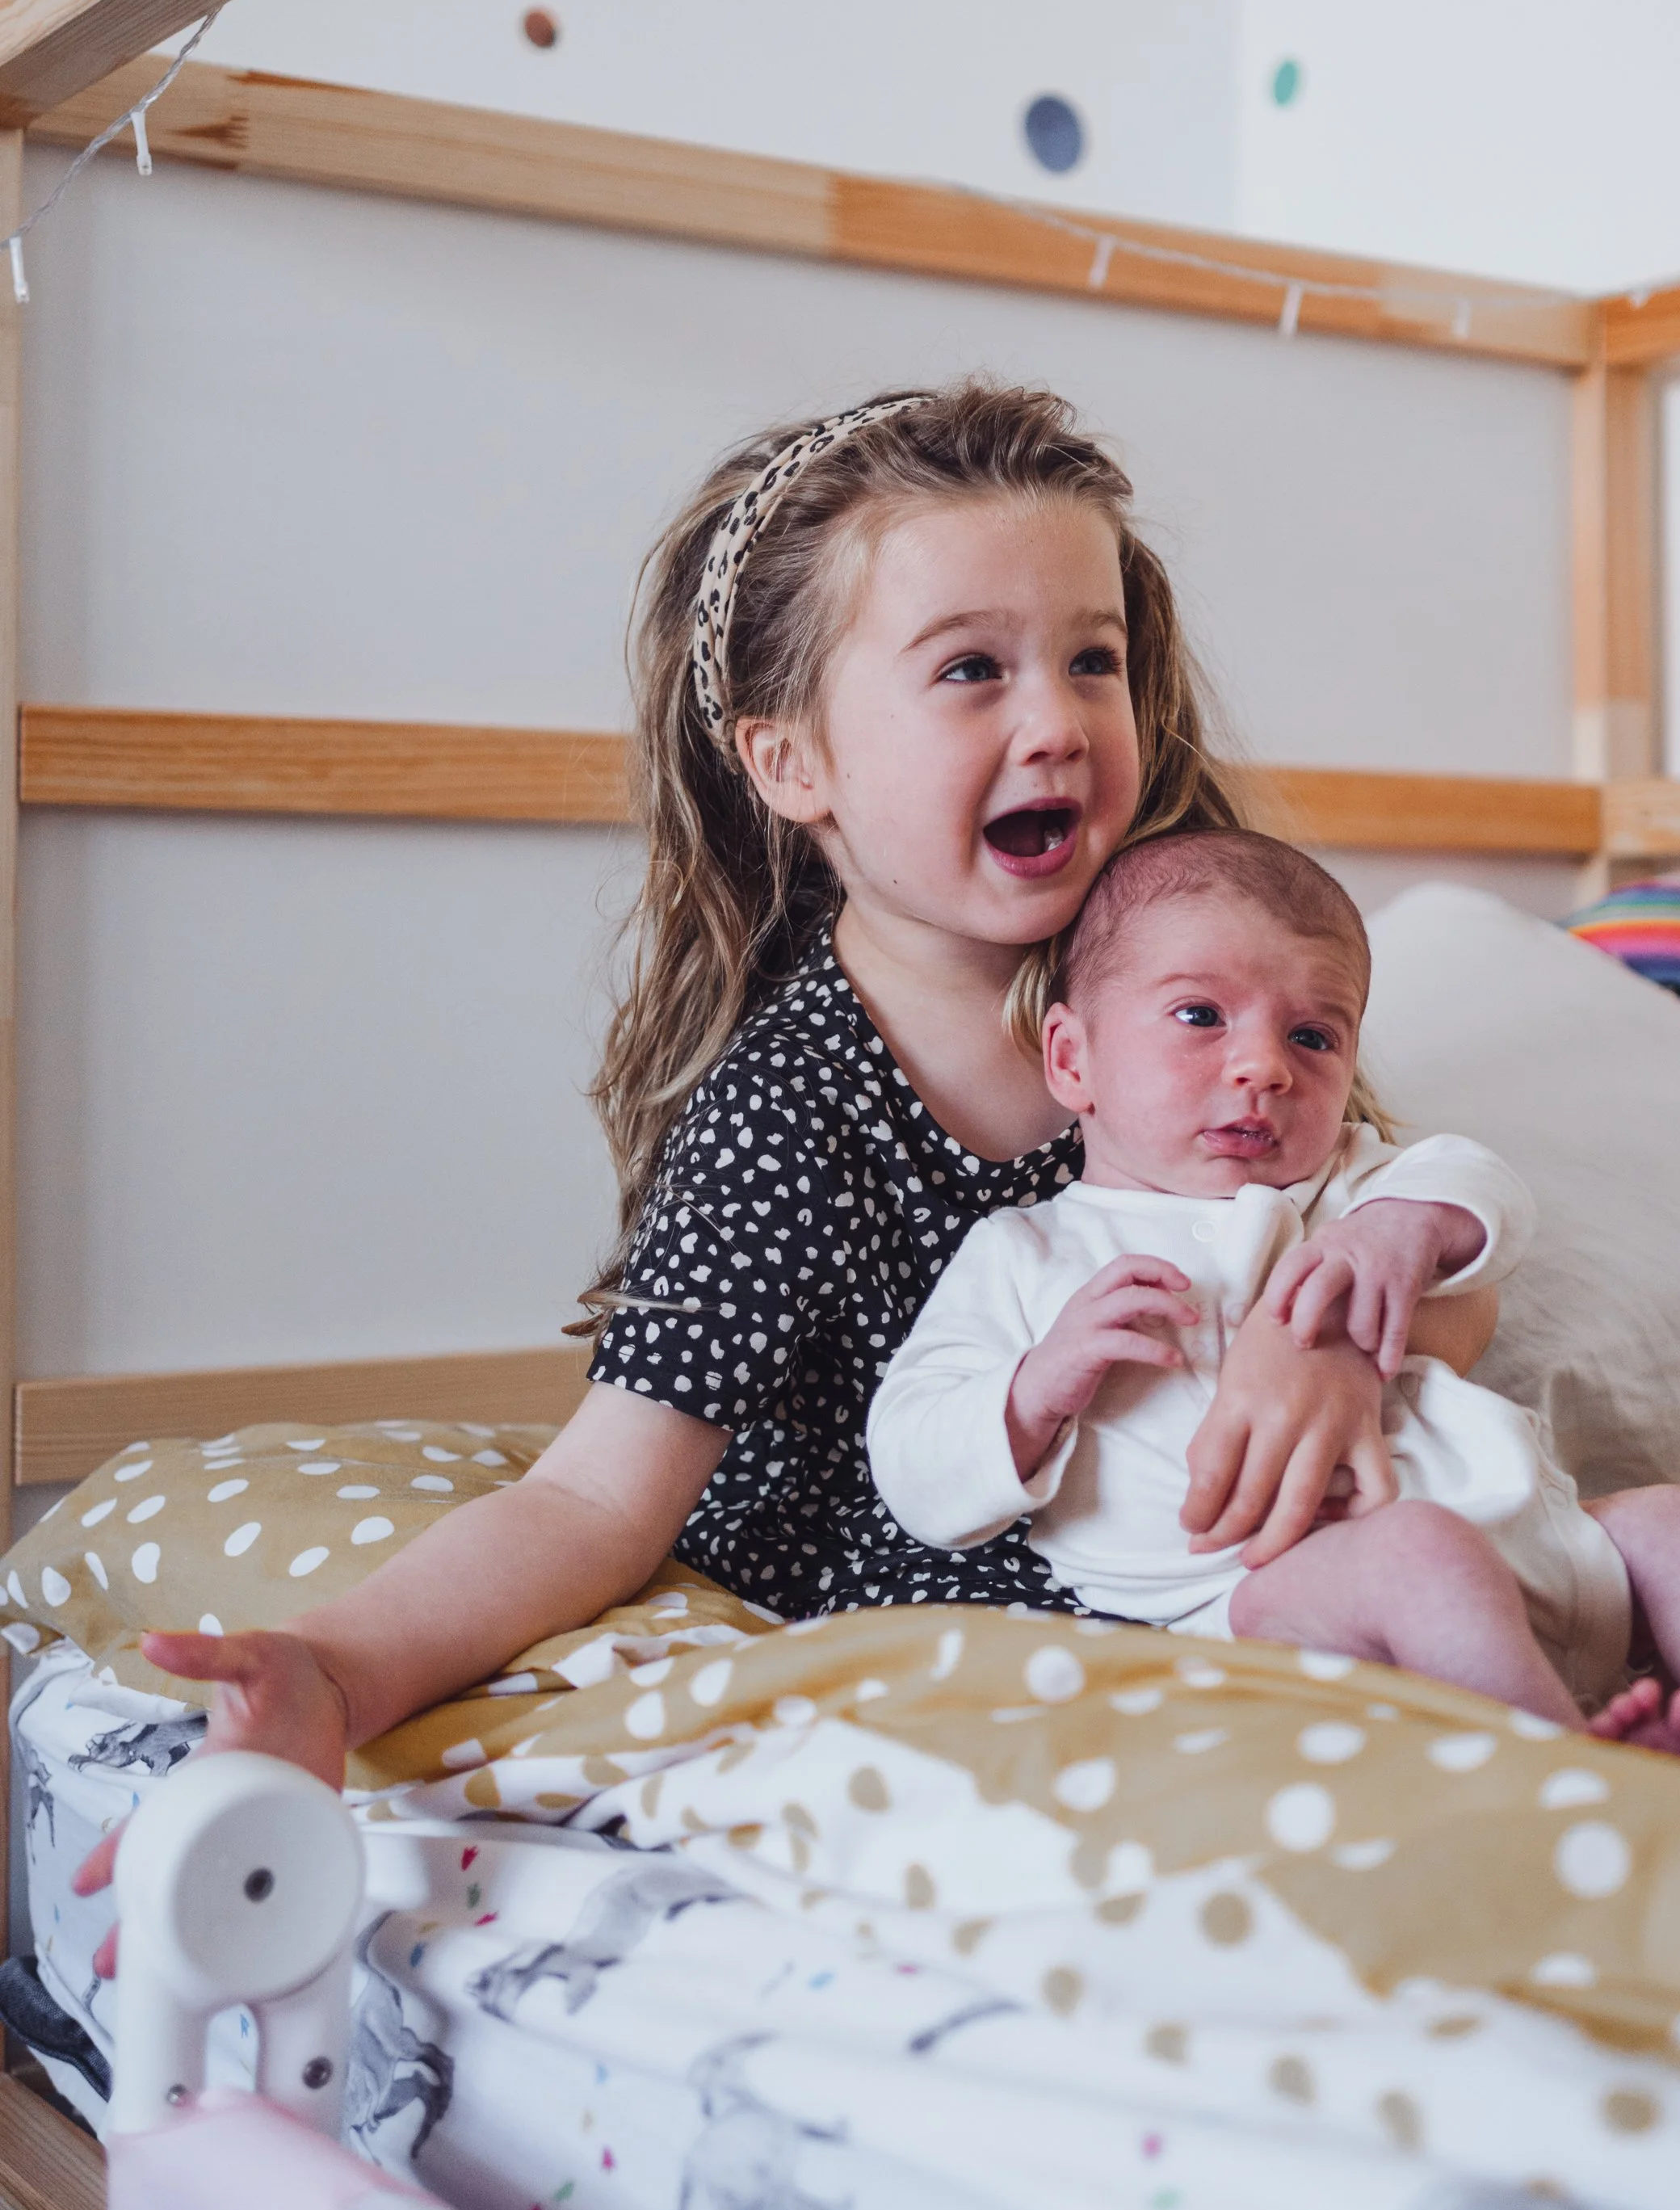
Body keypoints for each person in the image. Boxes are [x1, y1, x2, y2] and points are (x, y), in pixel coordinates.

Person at [77, 382, 1387, 1956]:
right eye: (970, 669)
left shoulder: (1213, 1014)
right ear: (791, 764)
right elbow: (590, 1499)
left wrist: (1342, 1355)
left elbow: (1410, 1235)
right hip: (953, 1616)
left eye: (1089, 660)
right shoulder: (795, 1108)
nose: (1054, 719)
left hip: (1199, 1561)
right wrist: (340, 1670)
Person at [867, 830, 1680, 1777]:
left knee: (1671, 1520)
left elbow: (1483, 1188)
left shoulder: (1346, 1186)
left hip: (1539, 1545)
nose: (1263, 1067)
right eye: (1199, 1015)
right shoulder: (1030, 1253)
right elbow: (910, 1452)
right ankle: (1563, 1771)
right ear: (1071, 1056)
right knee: (1420, 1552)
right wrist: (1033, 1389)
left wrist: (1400, 1228)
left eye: (1315, 1038)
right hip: (1253, 1606)